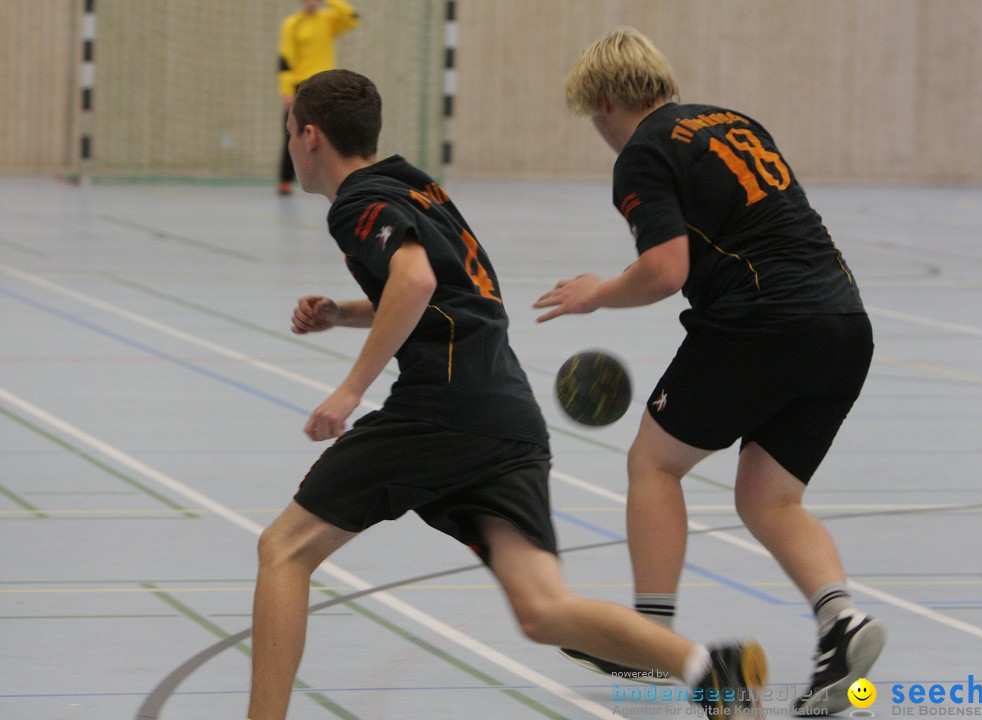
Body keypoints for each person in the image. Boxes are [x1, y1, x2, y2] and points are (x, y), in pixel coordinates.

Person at [246, 68, 767, 720]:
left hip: (441, 406)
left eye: (288, 130)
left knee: (283, 550)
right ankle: (708, 671)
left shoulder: (357, 202)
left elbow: (414, 283)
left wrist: (349, 390)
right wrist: (344, 313)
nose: (289, 143)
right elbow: (449, 287)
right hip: (505, 412)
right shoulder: (416, 185)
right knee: (543, 610)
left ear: (311, 136)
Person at [533, 27, 885, 716]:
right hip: (845, 326)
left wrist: (595, 294)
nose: (602, 134)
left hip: (763, 324)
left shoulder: (643, 150)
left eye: (595, 120)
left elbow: (666, 271)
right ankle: (840, 623)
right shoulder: (733, 122)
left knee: (654, 464)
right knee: (769, 497)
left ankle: (650, 638)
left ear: (608, 100)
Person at [276, 0, 360, 195]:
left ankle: (338, 177)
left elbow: (353, 18)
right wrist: (286, 91)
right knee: (293, 133)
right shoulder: (292, 23)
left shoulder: (328, 19)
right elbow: (285, 59)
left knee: (331, 131)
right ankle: (285, 180)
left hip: (324, 84)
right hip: (300, 86)